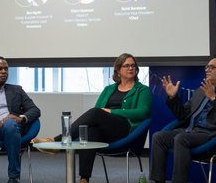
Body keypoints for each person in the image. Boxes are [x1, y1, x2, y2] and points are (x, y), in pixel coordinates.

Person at [32, 53, 152, 183]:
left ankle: (58, 140)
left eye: (133, 65)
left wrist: (112, 111)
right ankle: (84, 179)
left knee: (95, 113)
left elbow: (142, 113)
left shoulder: (142, 90)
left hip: (125, 129)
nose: (130, 68)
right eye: (126, 65)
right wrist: (105, 113)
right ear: (118, 69)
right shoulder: (109, 89)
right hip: (107, 130)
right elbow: (98, 112)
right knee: (90, 131)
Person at [149, 55, 216, 183]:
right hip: (191, 132)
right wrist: (173, 98)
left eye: (212, 67)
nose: (207, 69)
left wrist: (214, 98)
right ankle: (157, 180)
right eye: (207, 67)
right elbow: (182, 115)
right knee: (158, 137)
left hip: (212, 136)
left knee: (181, 138)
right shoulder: (200, 92)